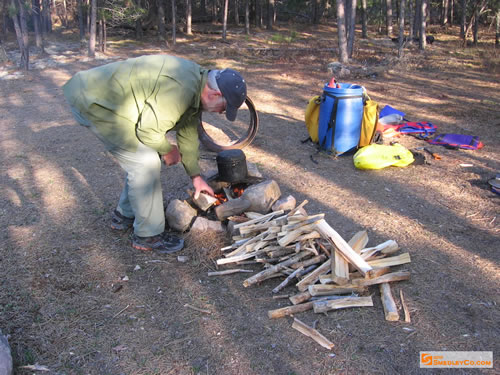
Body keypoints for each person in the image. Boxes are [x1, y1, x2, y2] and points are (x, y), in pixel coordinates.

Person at [63, 54, 247, 253]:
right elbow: (148, 131)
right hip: (98, 102)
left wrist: (196, 177)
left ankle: (124, 215)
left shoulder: (196, 86)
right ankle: (148, 236)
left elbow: (187, 133)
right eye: (224, 107)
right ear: (215, 94)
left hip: (108, 101)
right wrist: (168, 150)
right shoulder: (181, 89)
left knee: (142, 159)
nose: (221, 113)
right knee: (145, 162)